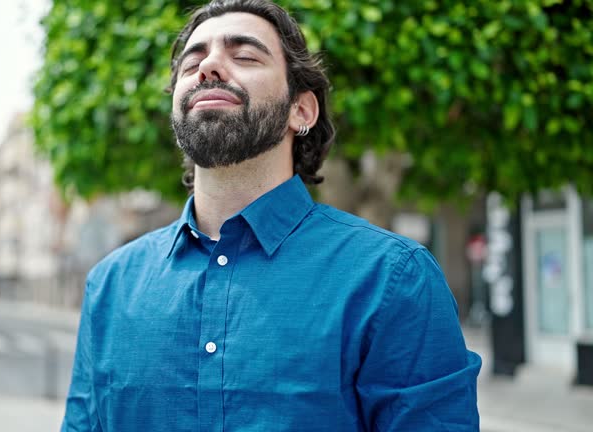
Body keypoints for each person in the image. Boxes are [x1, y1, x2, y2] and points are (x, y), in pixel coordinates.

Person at [62, 1, 481, 430]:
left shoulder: (394, 280)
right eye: (192, 62)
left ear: (301, 110)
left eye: (244, 56)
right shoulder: (110, 286)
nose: (209, 67)